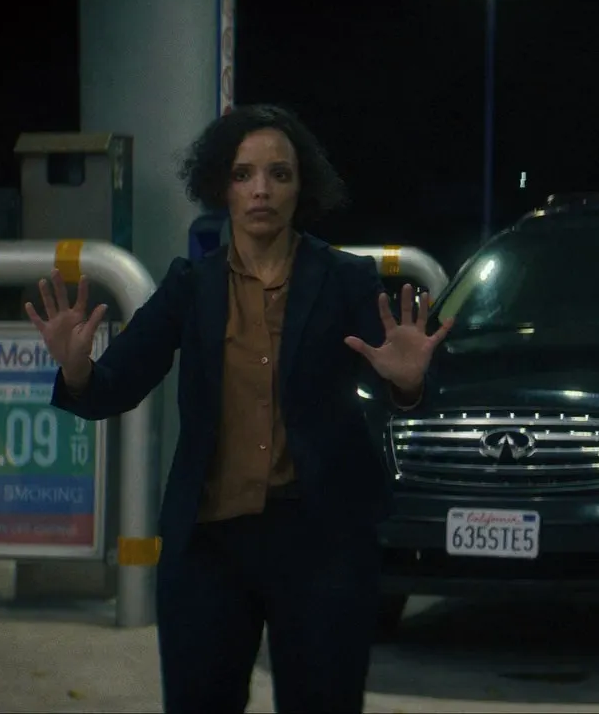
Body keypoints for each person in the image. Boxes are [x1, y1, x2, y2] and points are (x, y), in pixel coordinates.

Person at [26, 104, 451, 713]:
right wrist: (77, 369)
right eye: (243, 173)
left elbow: (400, 391)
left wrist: (408, 383)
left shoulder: (345, 280)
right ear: (220, 185)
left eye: (279, 174)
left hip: (322, 541)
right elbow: (115, 386)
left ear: (302, 186)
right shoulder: (190, 286)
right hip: (210, 546)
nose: (261, 190)